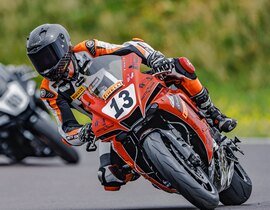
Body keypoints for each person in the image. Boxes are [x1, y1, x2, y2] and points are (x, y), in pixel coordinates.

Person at [26, 23, 237, 191]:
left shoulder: (88, 49)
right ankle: (145, 165)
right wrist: (84, 132)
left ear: (63, 46)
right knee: (109, 178)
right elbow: (65, 128)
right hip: (108, 122)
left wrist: (154, 58)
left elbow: (130, 46)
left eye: (48, 56)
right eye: (38, 61)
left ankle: (212, 112)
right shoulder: (49, 91)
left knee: (180, 65)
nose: (46, 65)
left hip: (135, 87)